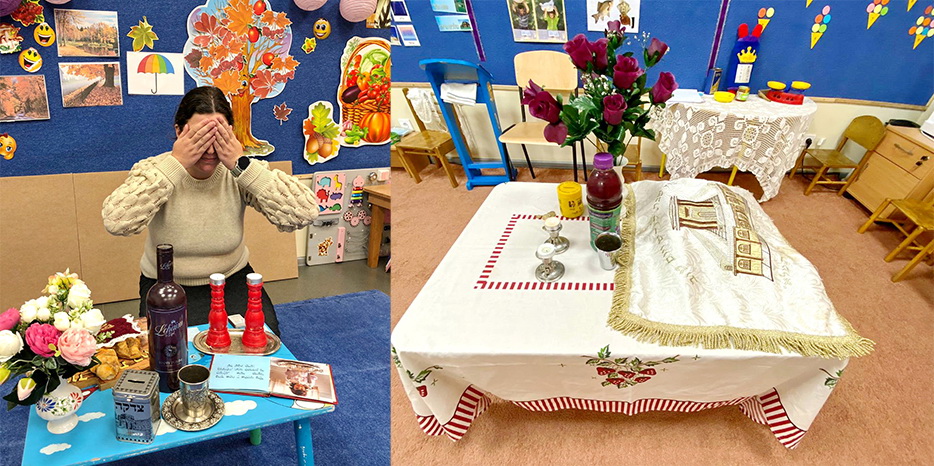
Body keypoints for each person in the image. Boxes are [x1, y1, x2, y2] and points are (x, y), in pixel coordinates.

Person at [102, 86, 319, 335]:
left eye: (218, 137)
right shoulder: (154, 170)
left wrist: (241, 164)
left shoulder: (239, 171)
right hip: (166, 283)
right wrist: (176, 164)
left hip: (231, 278)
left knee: (261, 342)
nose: (209, 149)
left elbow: (305, 212)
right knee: (173, 350)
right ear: (179, 132)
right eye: (199, 137)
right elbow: (116, 222)